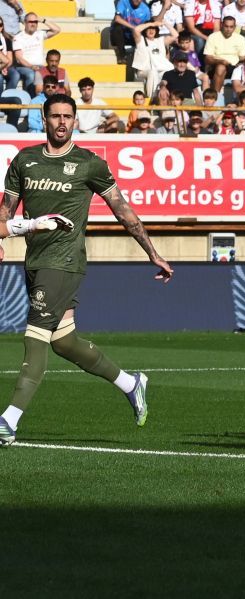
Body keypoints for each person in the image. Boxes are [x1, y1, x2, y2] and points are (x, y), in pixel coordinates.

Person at [0, 93, 173, 447]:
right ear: (44, 119)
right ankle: (131, 382)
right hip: (34, 260)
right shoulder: (24, 160)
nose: (62, 122)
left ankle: (9, 420)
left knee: (35, 338)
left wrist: (152, 252)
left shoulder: (89, 163)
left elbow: (122, 210)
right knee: (63, 341)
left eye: (68, 116)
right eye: (55, 116)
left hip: (65, 262)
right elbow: (5, 211)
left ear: (75, 120)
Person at [12, 12, 61, 95]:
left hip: (39, 66)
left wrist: (43, 20)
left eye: (35, 22)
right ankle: (30, 101)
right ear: (25, 22)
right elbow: (19, 58)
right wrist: (31, 66)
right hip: (24, 67)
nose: (33, 24)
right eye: (30, 22)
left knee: (57, 72)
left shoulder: (40, 33)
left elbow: (57, 30)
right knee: (32, 75)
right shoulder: (18, 37)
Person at [204, 15, 245, 94]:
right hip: (215, 66)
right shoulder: (213, 37)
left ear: (234, 27)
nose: (228, 29)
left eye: (231, 27)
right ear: (222, 25)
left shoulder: (240, 38)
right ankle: (216, 96)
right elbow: (207, 58)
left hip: (234, 66)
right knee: (221, 67)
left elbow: (243, 57)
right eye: (226, 26)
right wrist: (220, 61)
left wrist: (240, 63)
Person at [132, 21, 176, 98]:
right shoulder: (141, 40)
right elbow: (136, 30)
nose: (151, 31)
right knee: (152, 72)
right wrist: (152, 24)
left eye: (153, 29)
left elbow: (175, 35)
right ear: (145, 30)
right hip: (143, 71)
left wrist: (165, 23)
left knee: (172, 73)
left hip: (161, 70)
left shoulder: (160, 40)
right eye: (149, 29)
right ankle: (152, 98)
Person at [111, 0, 154, 64]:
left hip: (136, 36)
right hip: (123, 34)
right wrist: (133, 27)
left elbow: (147, 26)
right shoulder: (123, 2)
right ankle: (122, 56)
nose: (137, 0)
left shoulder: (146, 9)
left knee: (147, 32)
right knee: (117, 27)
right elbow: (117, 19)